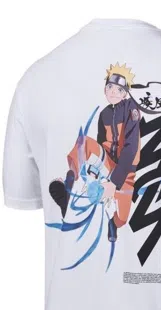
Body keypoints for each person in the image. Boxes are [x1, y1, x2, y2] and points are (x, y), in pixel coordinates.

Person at [49, 62, 141, 242]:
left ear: (125, 93)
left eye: (119, 89)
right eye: (110, 87)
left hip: (126, 172)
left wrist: (114, 183)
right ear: (105, 89)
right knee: (85, 143)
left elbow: (131, 148)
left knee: (122, 218)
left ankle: (113, 223)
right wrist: (95, 173)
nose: (113, 92)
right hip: (107, 162)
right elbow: (99, 145)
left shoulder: (132, 108)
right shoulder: (104, 114)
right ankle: (67, 187)